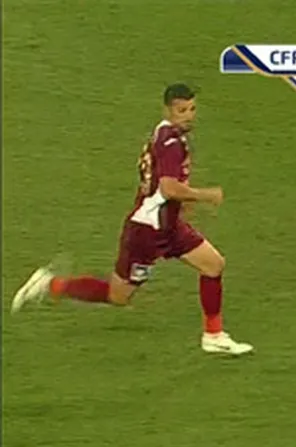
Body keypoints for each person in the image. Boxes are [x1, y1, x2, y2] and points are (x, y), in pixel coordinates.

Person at [10, 83, 253, 356]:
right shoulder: (171, 143)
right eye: (182, 110)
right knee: (118, 296)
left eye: (192, 109)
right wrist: (206, 195)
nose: (188, 115)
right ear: (168, 110)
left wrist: (182, 207)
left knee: (213, 264)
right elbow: (168, 188)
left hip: (169, 225)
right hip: (147, 232)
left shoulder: (165, 133)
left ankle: (214, 336)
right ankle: (50, 284)